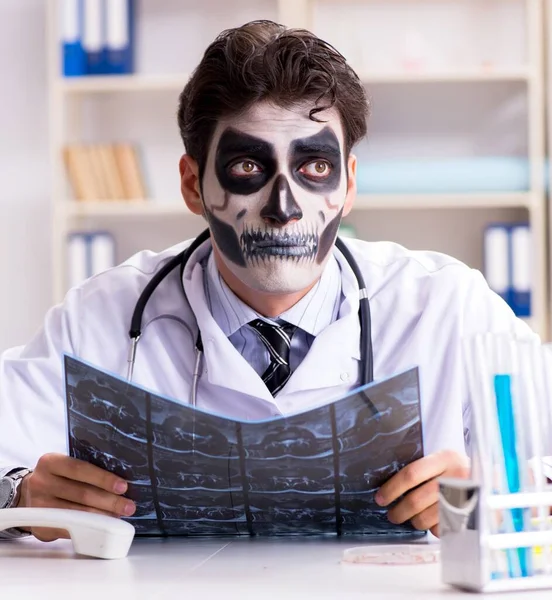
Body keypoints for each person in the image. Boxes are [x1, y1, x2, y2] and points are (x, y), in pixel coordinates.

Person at [0, 20, 538, 542]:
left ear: (349, 185)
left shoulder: (450, 307)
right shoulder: (99, 316)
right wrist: (18, 497)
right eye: (248, 169)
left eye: (316, 168)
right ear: (192, 184)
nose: (284, 210)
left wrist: (505, 492)